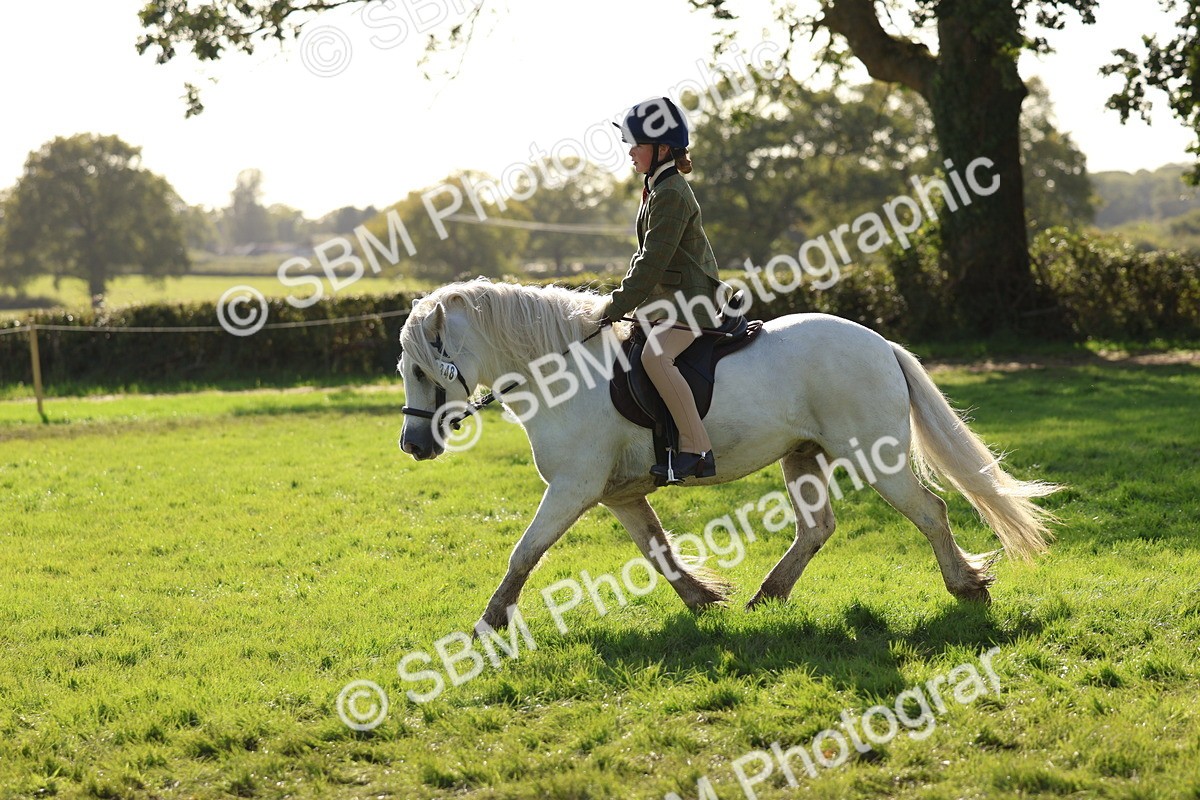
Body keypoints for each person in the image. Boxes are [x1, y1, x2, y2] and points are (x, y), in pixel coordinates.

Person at [602, 96, 724, 484]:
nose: (630, 151)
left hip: (692, 303)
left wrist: (615, 305)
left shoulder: (671, 193)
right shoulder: (657, 187)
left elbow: (651, 261)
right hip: (669, 302)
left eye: (636, 144)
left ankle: (696, 448)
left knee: (656, 358)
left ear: (663, 148)